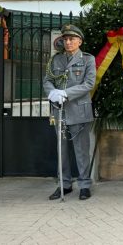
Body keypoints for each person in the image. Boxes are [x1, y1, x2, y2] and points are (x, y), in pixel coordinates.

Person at [43, 24, 96, 200]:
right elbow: (48, 80)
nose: (68, 42)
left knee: (81, 151)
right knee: (62, 150)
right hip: (59, 111)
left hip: (79, 111)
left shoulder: (88, 60)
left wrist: (66, 93)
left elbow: (89, 84)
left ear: (79, 41)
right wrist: (52, 92)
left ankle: (84, 185)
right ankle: (64, 184)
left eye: (72, 39)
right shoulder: (55, 60)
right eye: (65, 39)